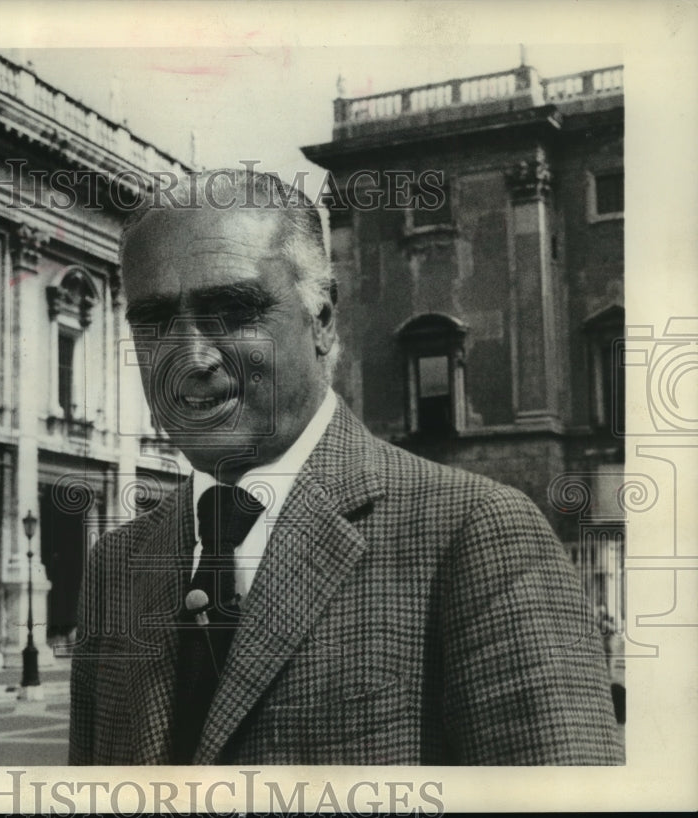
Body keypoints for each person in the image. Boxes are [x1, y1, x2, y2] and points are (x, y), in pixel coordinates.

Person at [68, 168, 624, 765]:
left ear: (323, 320)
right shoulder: (115, 565)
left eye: (232, 311)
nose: (190, 358)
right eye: (154, 323)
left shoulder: (476, 535)